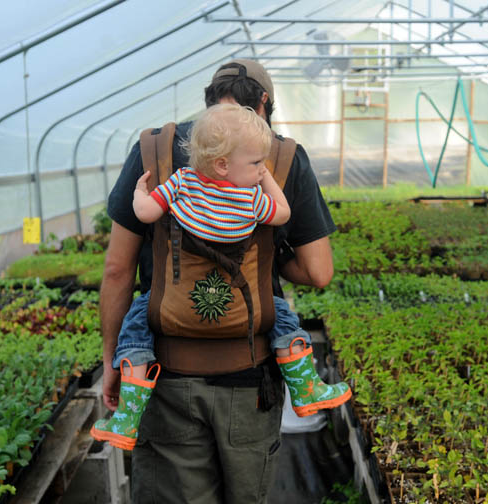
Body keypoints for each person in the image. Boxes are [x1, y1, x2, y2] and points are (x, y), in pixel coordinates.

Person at [99, 59, 338, 503]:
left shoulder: (155, 151)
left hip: (165, 376)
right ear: (264, 102)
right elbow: (318, 271)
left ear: (209, 99)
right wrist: (269, 252)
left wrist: (115, 361)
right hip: (250, 377)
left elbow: (117, 269)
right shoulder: (282, 158)